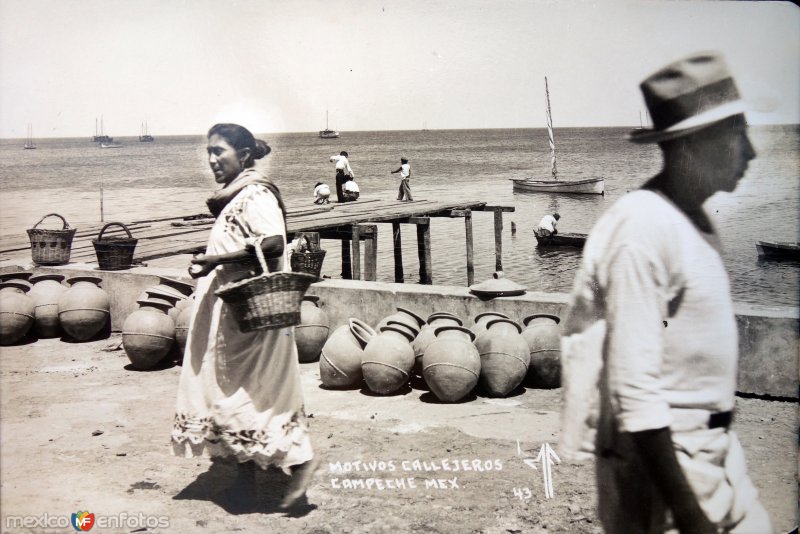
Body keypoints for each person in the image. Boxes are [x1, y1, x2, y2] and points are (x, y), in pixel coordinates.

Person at [560, 52, 771, 533]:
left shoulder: (692, 221)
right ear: (697, 144)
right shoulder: (644, 227)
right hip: (666, 470)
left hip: (713, 454)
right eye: (739, 137)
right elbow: (634, 387)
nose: (752, 153)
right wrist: (690, 515)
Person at [171, 123, 318, 509]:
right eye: (209, 152)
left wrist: (215, 259)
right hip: (231, 313)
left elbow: (273, 243)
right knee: (237, 388)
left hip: (245, 314)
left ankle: (291, 463)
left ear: (245, 155)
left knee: (244, 389)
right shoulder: (236, 196)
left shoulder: (254, 194)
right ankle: (250, 473)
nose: (212, 159)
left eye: (219, 151)